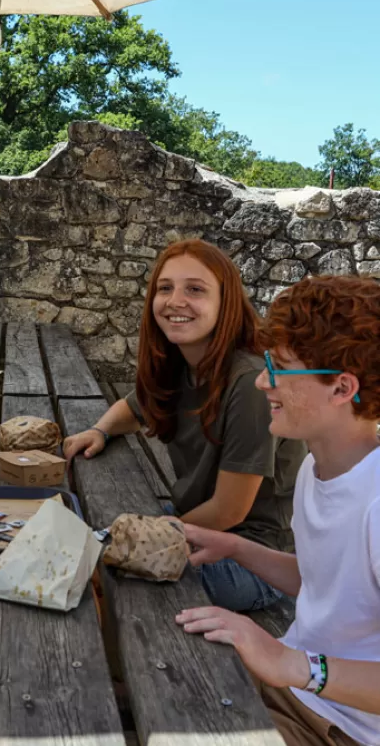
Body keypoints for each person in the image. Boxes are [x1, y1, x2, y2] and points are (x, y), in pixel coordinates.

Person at [177, 275, 380, 746]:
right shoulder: (317, 466)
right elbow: (330, 587)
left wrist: (293, 664)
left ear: (341, 388)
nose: (264, 381)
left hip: (339, 725)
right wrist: (236, 547)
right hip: (292, 685)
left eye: (280, 368)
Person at [63, 239, 306, 612]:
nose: (175, 301)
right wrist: (101, 430)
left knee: (102, 581)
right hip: (198, 529)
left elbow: (229, 511)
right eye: (165, 288)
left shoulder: (250, 381)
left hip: (257, 558)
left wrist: (150, 536)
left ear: (226, 302)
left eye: (195, 289)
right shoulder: (182, 362)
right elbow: (136, 406)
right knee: (81, 542)